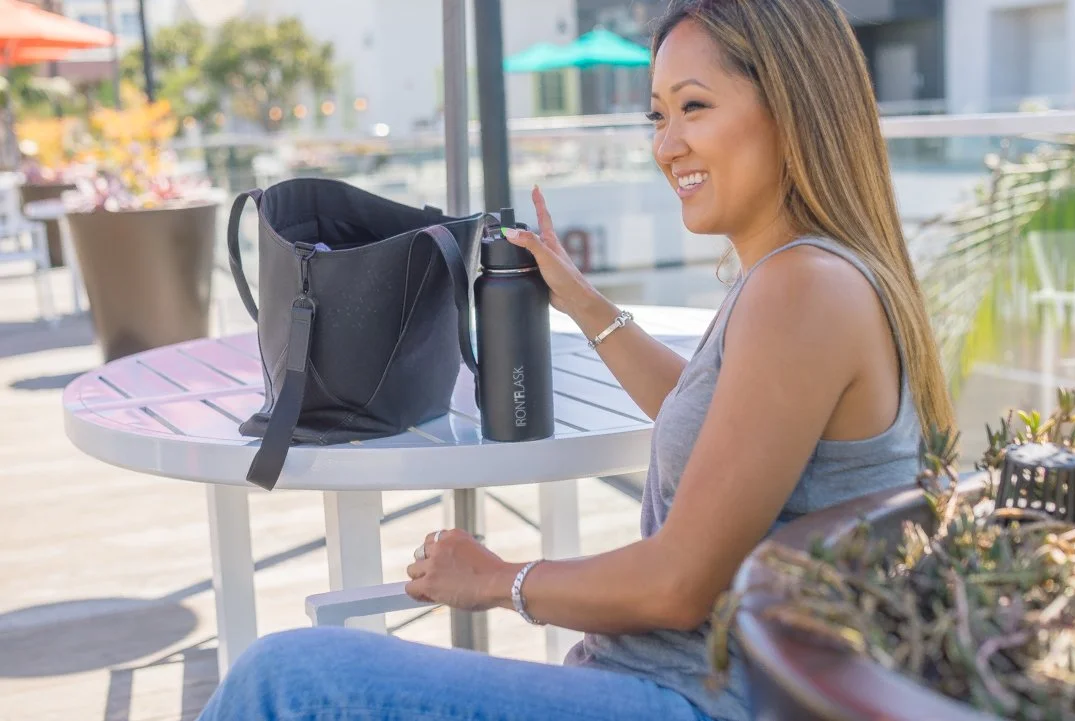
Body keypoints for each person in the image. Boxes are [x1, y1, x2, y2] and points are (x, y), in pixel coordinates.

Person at [196, 0, 955, 719]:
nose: (666, 145)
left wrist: (496, 581)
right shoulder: (803, 277)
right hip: (668, 681)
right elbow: (720, 423)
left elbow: (678, 585)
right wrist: (587, 303)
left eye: (694, 106)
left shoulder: (804, 289)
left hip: (694, 699)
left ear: (794, 106)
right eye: (657, 116)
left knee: (284, 677)